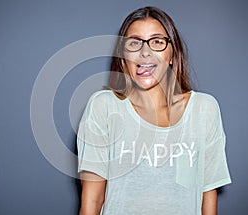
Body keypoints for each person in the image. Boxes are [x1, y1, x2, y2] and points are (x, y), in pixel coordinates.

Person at [77, 6, 231, 215]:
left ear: (171, 54)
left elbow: (208, 197)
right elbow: (92, 201)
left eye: (157, 41)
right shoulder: (103, 106)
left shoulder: (204, 109)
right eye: (134, 43)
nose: (145, 52)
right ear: (123, 58)